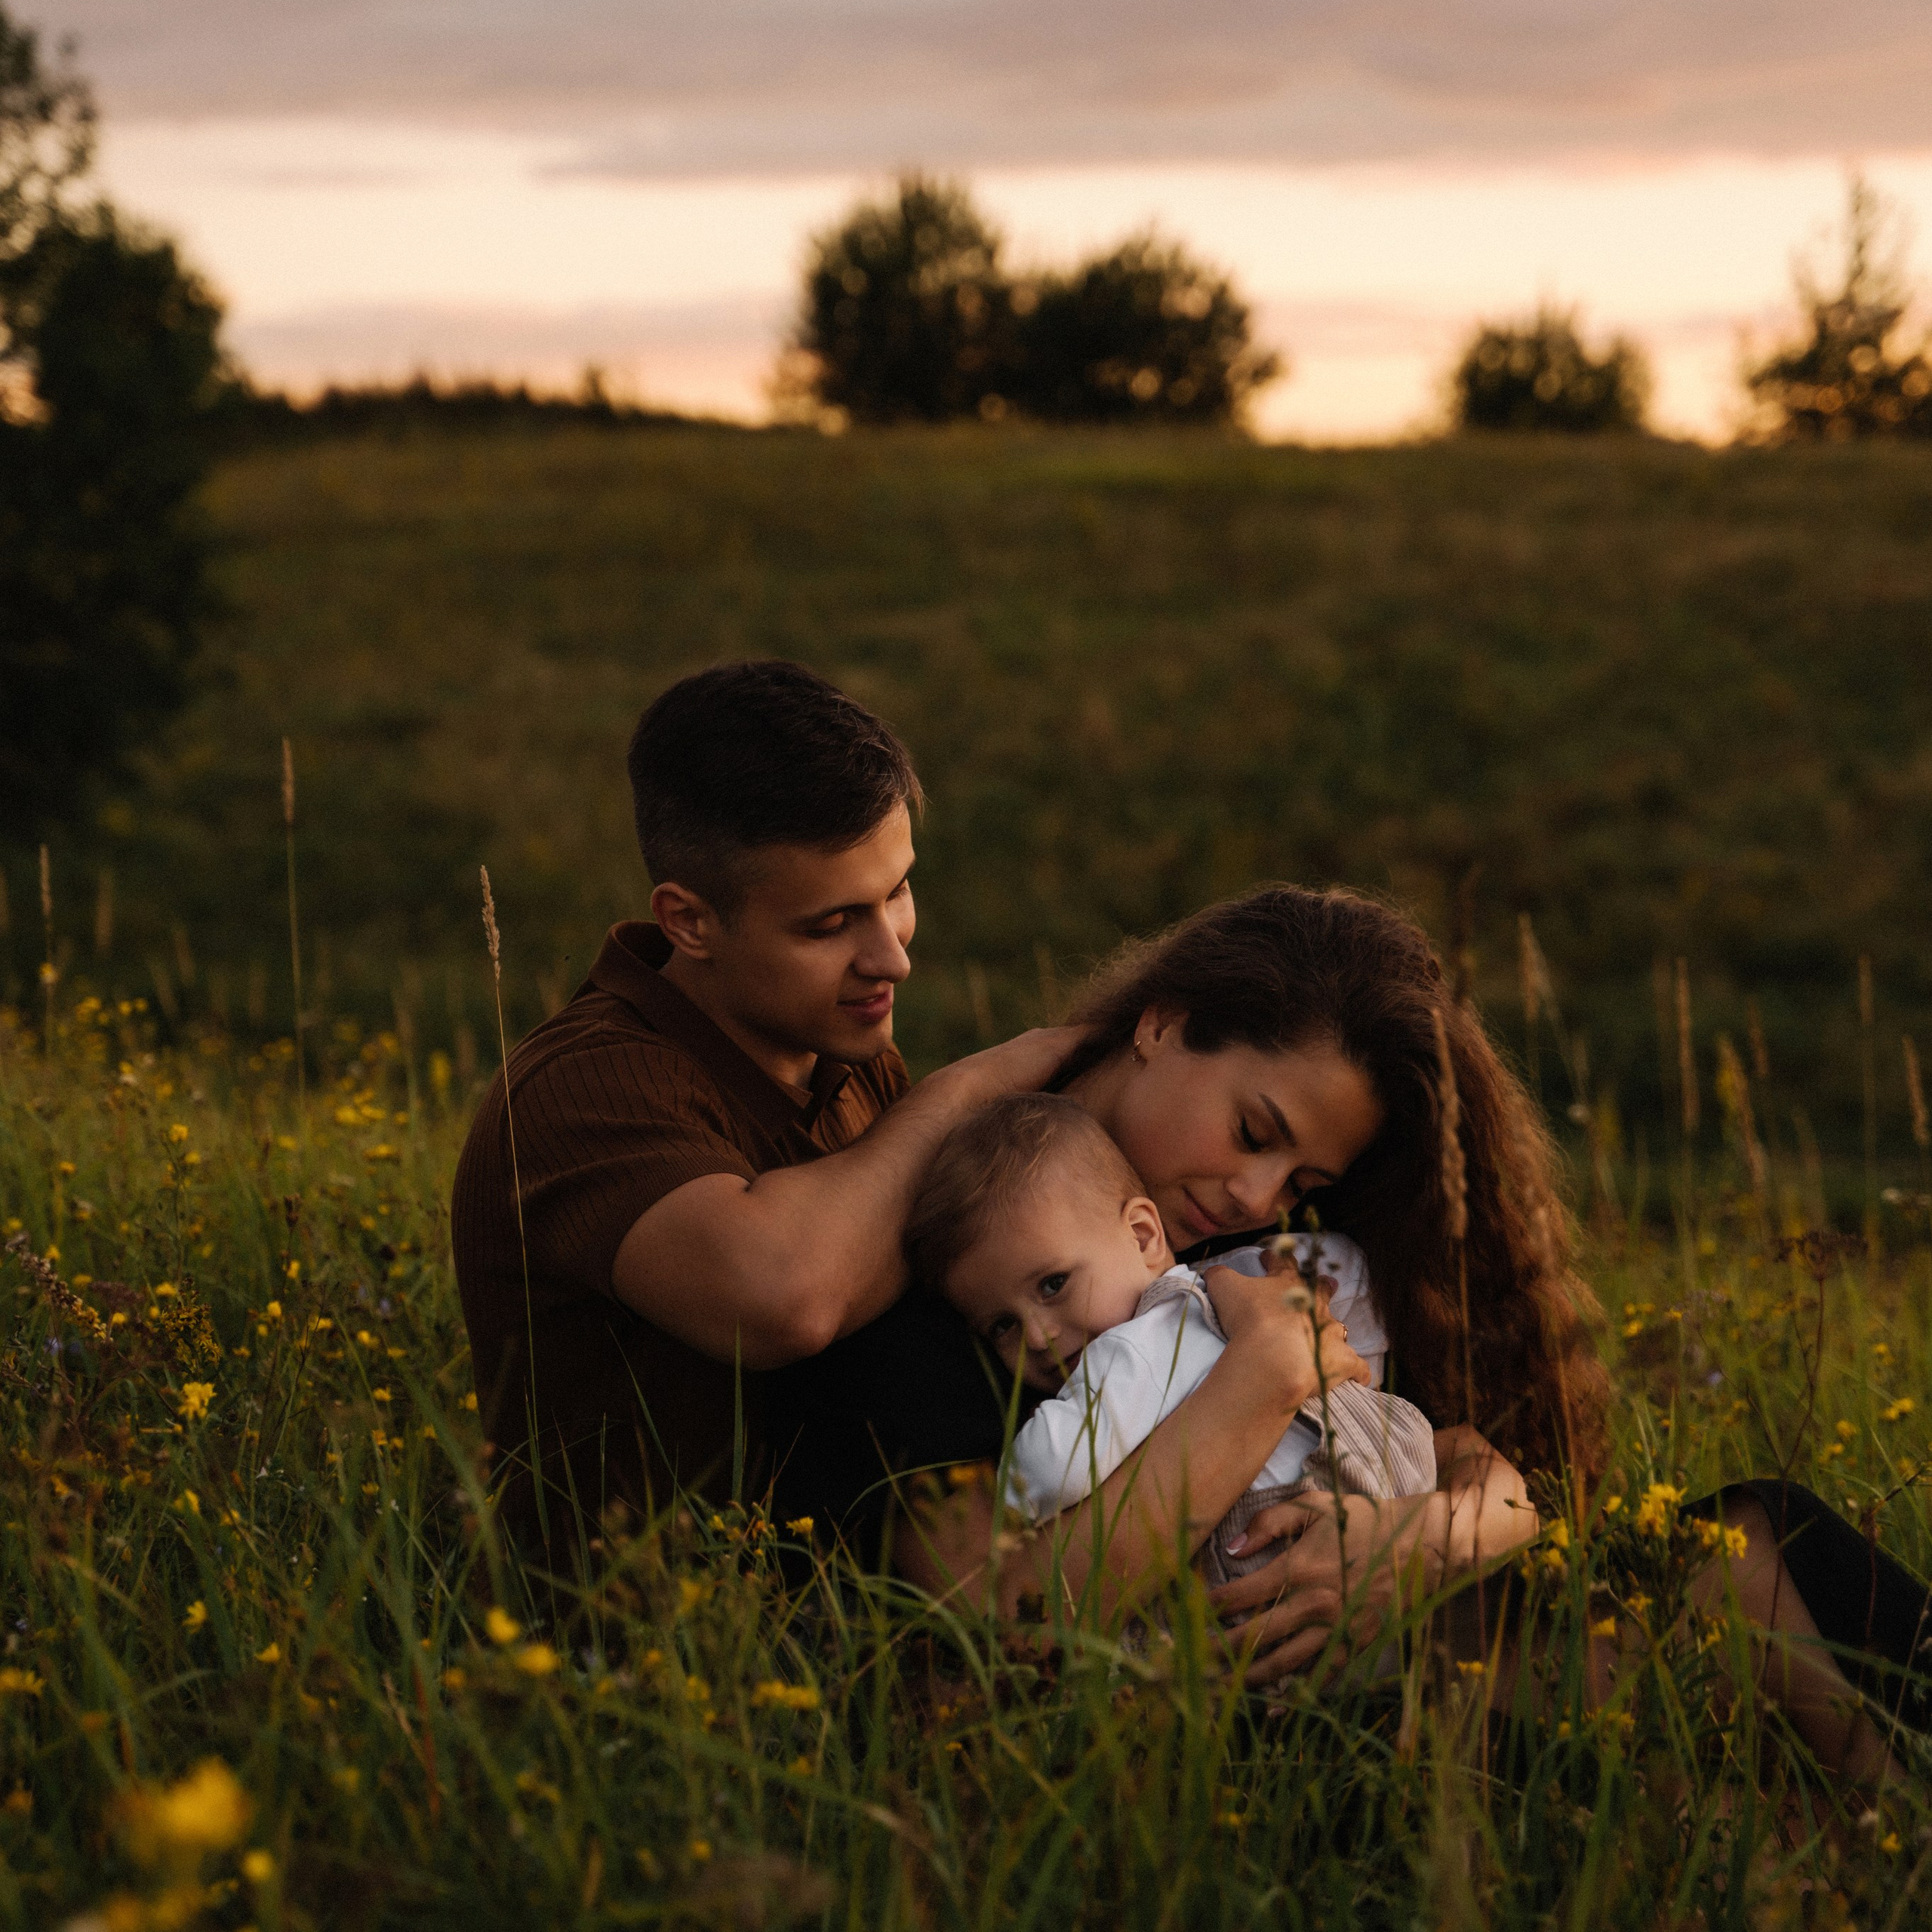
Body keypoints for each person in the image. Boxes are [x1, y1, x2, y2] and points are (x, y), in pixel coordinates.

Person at [451, 660, 1074, 1560]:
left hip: (845, 1592)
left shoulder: (850, 1058)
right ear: (689, 922)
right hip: (652, 1625)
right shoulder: (576, 1091)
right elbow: (784, 1301)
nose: (892, 957)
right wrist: (961, 1094)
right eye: (830, 924)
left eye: (896, 892)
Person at [905, 1091, 1437, 1585]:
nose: (1038, 1338)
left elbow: (1054, 1471)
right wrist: (1362, 1372)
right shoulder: (1239, 1283)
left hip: (1277, 1534)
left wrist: (1004, 1495)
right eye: (1003, 1325)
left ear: (1143, 1236)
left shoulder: (1126, 1350)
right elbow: (1351, 1273)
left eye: (1053, 1284)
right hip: (1395, 1476)